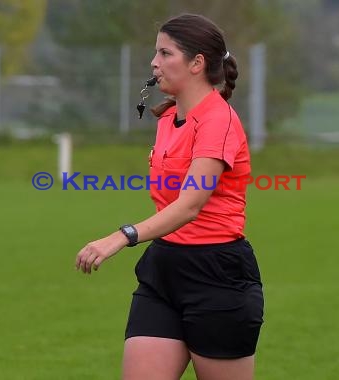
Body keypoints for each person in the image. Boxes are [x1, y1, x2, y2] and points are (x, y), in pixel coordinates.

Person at [75, 13, 264, 380]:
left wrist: (121, 236)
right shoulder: (166, 120)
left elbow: (190, 205)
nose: (154, 63)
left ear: (197, 63)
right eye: (155, 53)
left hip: (217, 277)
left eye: (165, 53)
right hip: (164, 270)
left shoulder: (218, 120)